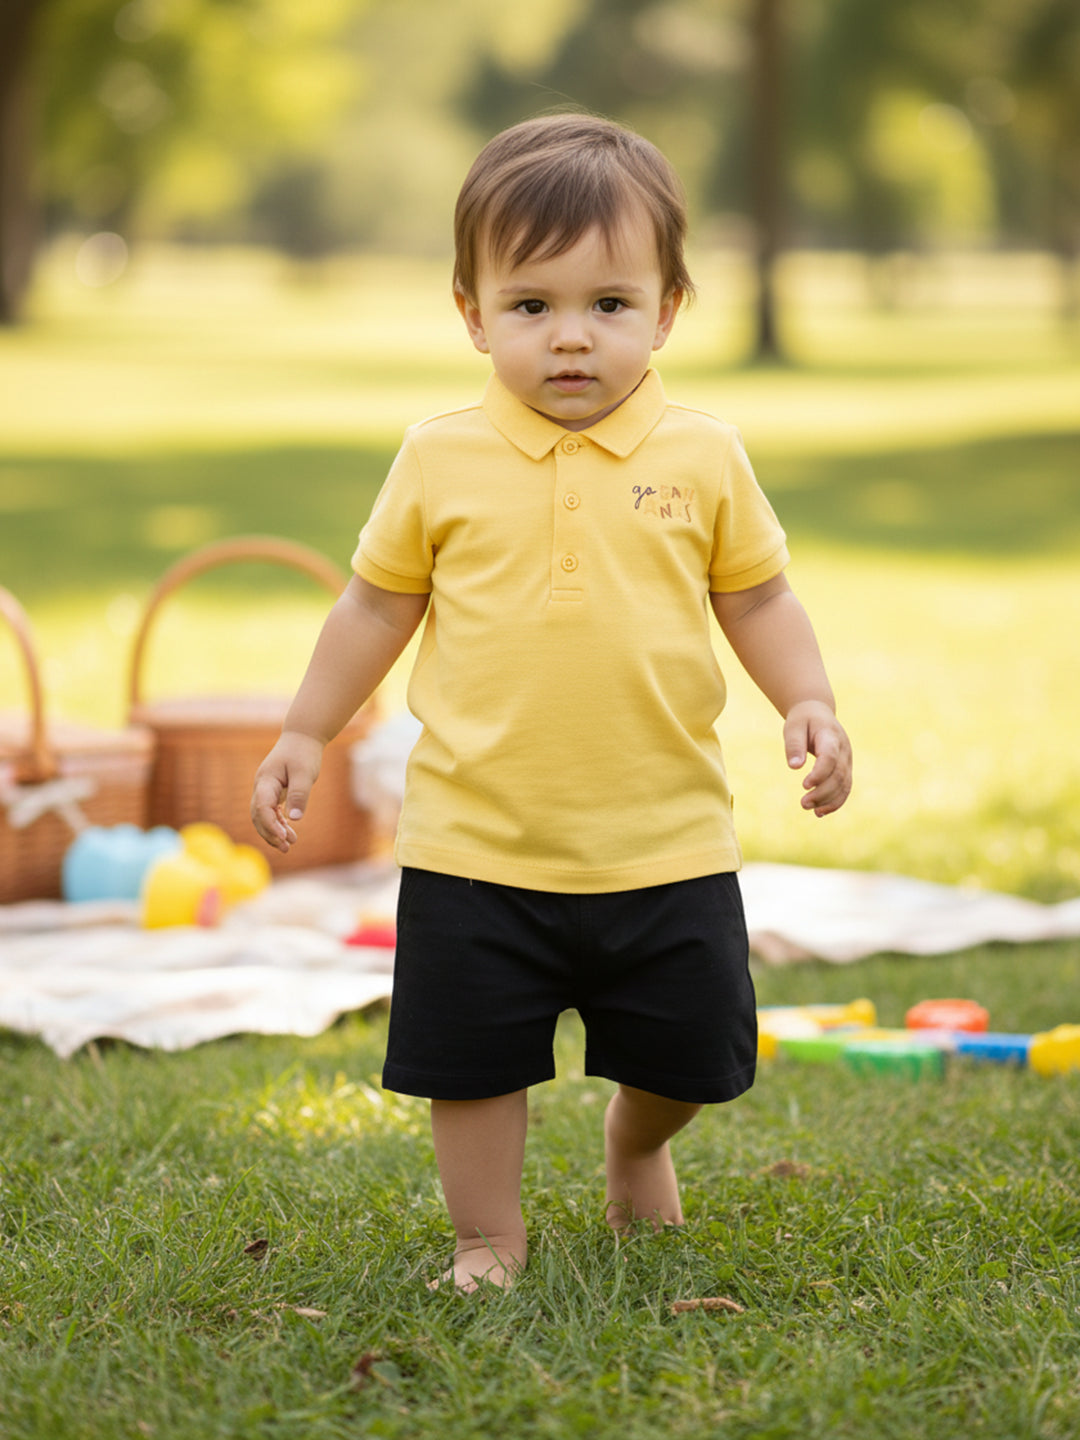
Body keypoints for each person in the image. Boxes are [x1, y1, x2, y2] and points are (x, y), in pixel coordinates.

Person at [251, 113, 852, 1293]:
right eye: (532, 306)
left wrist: (810, 699)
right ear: (471, 312)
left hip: (663, 838)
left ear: (669, 309)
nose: (571, 338)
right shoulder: (439, 458)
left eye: (609, 305)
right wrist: (306, 729)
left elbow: (762, 599)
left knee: (693, 1057)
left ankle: (636, 1147)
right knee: (471, 1066)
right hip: (479, 842)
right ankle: (488, 1236)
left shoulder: (703, 455)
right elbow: (374, 609)